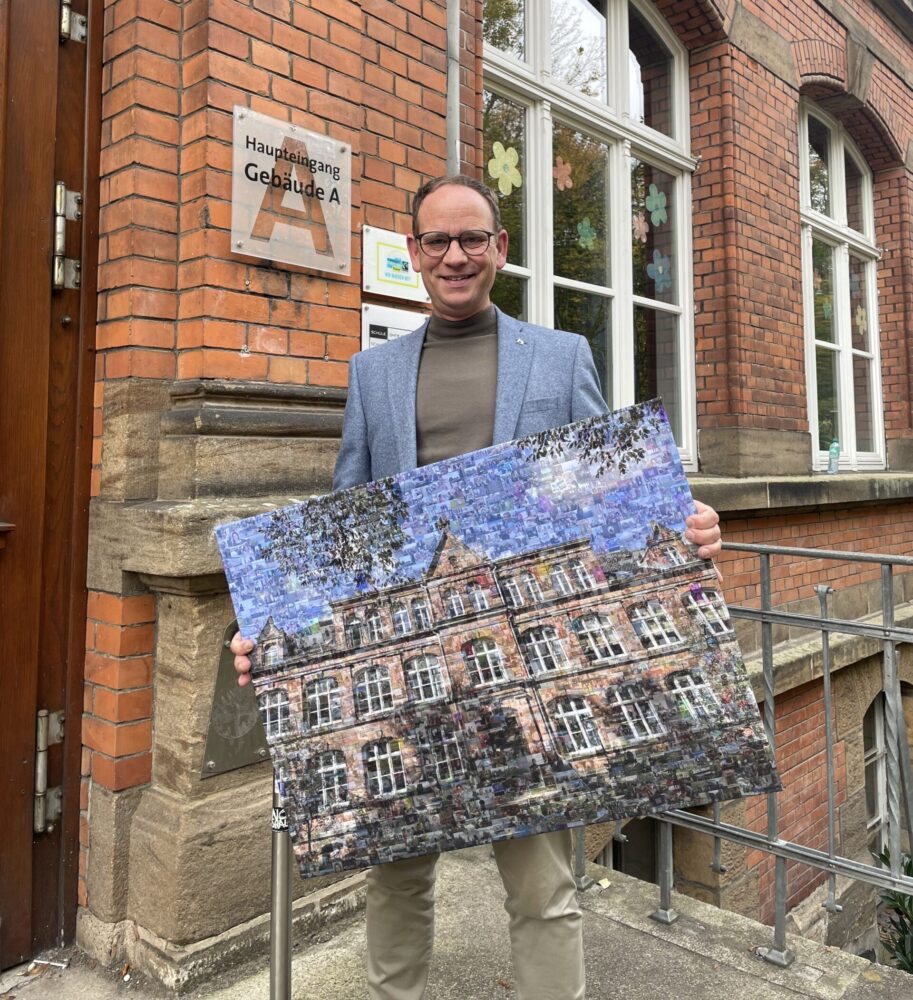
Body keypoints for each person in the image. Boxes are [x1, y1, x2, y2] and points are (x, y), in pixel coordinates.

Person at [231, 174, 722, 1000]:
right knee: (394, 880)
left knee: (542, 889)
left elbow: (602, 494)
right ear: (415, 253)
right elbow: (342, 531)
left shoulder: (562, 357)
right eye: (436, 241)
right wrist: (285, 638)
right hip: (409, 670)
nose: (454, 256)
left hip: (526, 657)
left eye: (471, 239)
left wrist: (679, 524)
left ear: (499, 248)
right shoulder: (371, 373)